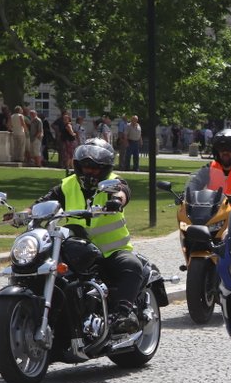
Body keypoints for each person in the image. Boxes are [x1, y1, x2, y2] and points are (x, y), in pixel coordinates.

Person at [14, 138, 143, 333]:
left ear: (105, 169)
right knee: (40, 266)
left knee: (132, 265)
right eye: (85, 166)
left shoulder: (113, 182)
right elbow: (42, 203)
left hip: (110, 251)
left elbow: (123, 192)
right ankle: (20, 313)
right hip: (76, 247)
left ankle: (123, 315)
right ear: (78, 166)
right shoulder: (67, 185)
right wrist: (24, 214)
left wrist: (116, 201)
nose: (89, 171)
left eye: (95, 168)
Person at [185, 128, 231, 198]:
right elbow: (196, 181)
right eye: (221, 148)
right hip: (213, 210)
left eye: (229, 148)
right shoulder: (210, 167)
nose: (225, 152)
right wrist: (188, 193)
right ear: (216, 151)